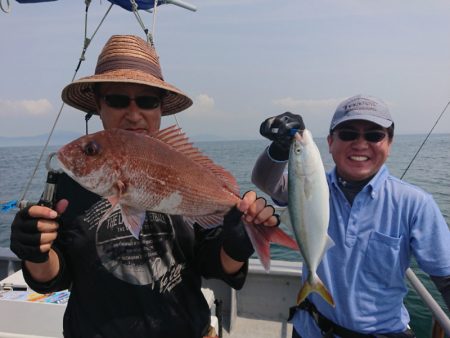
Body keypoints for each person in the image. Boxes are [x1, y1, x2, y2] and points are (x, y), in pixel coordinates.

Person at [9, 35, 281, 338]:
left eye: (148, 101)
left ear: (161, 108)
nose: (134, 113)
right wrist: (35, 251)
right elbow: (53, 278)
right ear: (99, 105)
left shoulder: (188, 169)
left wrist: (237, 244)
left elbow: (215, 265)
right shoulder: (66, 190)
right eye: (117, 99)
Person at [252, 95, 450, 338]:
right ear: (330, 142)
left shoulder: (415, 204)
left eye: (374, 135)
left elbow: (446, 278)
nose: (360, 143)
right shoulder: (313, 186)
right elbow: (264, 181)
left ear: (389, 143)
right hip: (311, 330)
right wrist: (281, 148)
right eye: (347, 134)